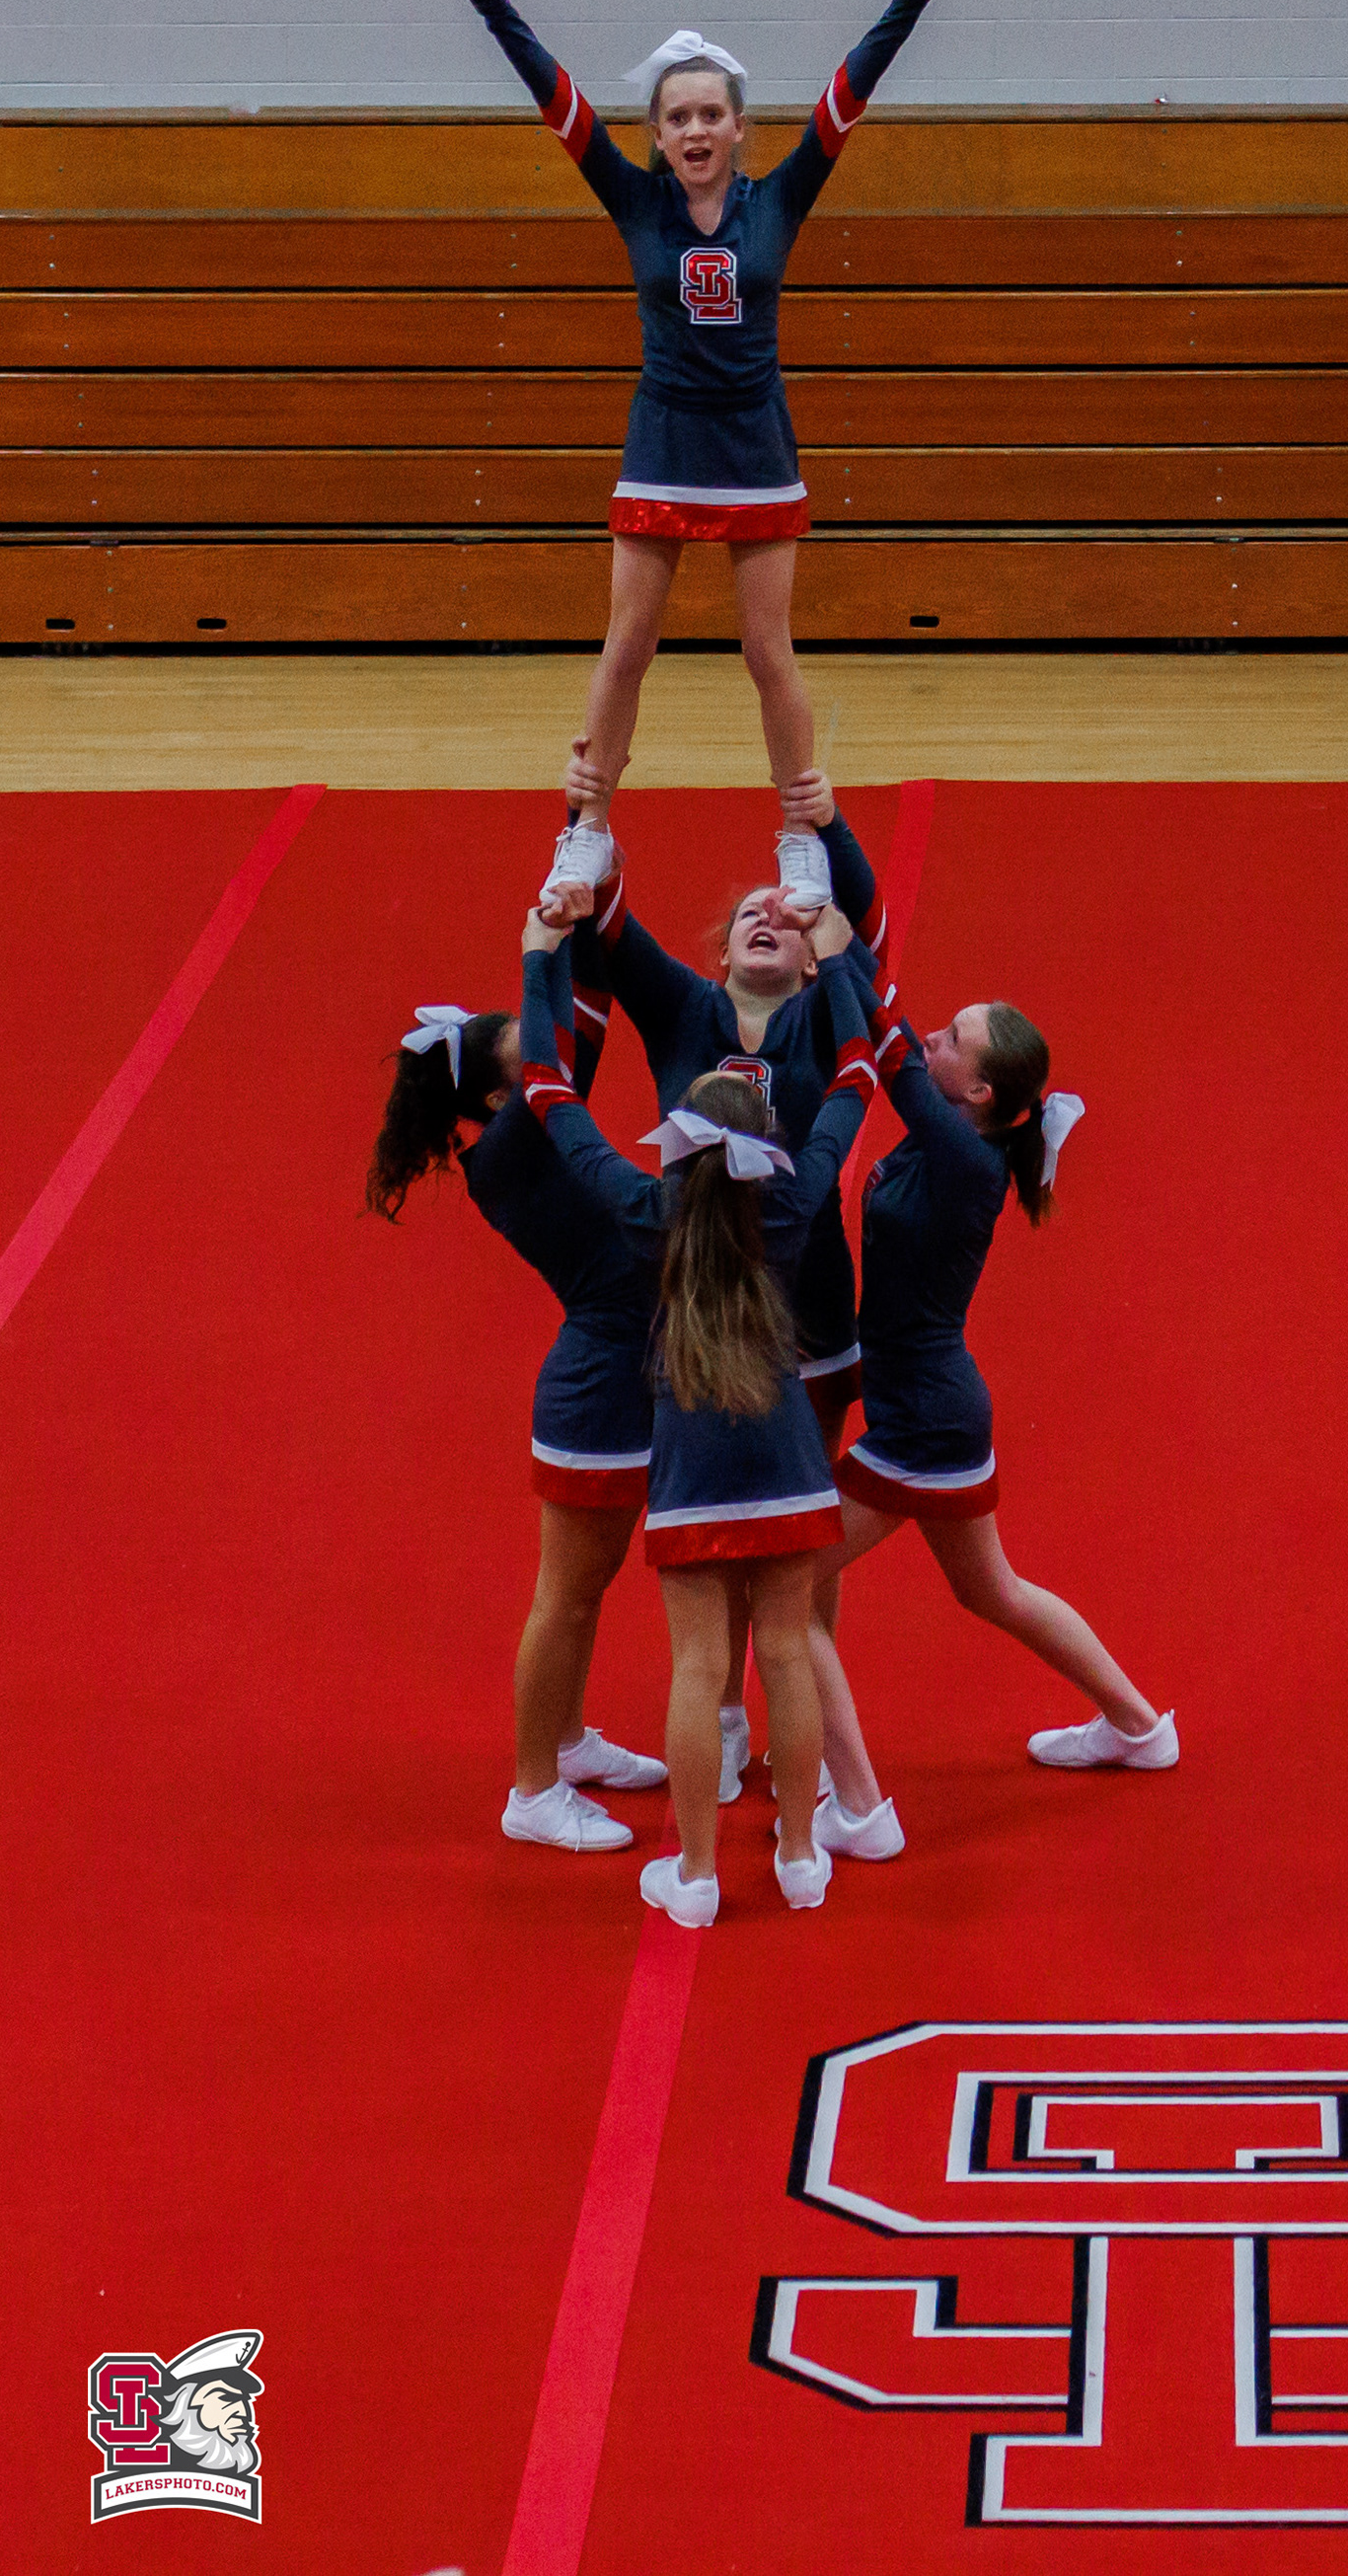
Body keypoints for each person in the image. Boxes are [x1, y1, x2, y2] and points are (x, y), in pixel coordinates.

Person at [455, 0, 951, 915]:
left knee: (768, 651)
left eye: (711, 114)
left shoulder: (781, 198)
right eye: (677, 116)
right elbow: (559, 103)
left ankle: (801, 836)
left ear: (738, 128)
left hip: (755, 443)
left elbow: (848, 92)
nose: (695, 128)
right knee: (627, 645)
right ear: (656, 131)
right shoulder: (635, 198)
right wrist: (491, 1)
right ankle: (586, 830)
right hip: (665, 439)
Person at [516, 903, 880, 1927]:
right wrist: (842, 967)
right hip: (788, 1454)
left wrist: (540, 962)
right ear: (770, 1144)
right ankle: (801, 1855)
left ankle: (699, 1873)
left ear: (678, 1144)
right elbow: (855, 1076)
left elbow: (549, 1094)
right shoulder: (796, 1200)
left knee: (699, 1663)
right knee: (786, 1648)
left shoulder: (650, 1210)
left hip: (693, 1460)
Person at [567, 761, 886, 1795]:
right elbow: (602, 904)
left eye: (786, 915)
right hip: (699, 1316)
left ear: (808, 954)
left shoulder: (822, 1013)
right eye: (750, 910)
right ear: (720, 948)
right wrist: (586, 802)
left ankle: (811, 1726)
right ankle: (728, 1713)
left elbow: (864, 931)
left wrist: (826, 829)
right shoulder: (681, 1007)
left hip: (810, 1311)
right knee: (716, 1525)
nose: (767, 915)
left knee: (800, 1530)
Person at [808, 986, 1177, 1856]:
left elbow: (892, 1054)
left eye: (953, 1037)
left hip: (922, 1424)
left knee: (781, 1583)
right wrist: (839, 921)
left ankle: (855, 1805)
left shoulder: (964, 1159)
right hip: (929, 1408)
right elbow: (898, 1033)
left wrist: (835, 948)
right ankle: (1138, 1726)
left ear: (977, 1091)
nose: (933, 1037)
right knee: (990, 1589)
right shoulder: (955, 1135)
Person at [365, 889, 668, 1853]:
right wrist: (544, 944)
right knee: (567, 1592)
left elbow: (576, 1021)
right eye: (522, 1053)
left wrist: (583, 896)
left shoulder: (520, 1125)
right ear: (502, 1096)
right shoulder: (515, 1143)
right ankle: (533, 1789)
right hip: (598, 1387)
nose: (539, 1055)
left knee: (592, 1582)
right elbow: (570, 1034)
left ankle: (568, 1741)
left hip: (625, 1370)